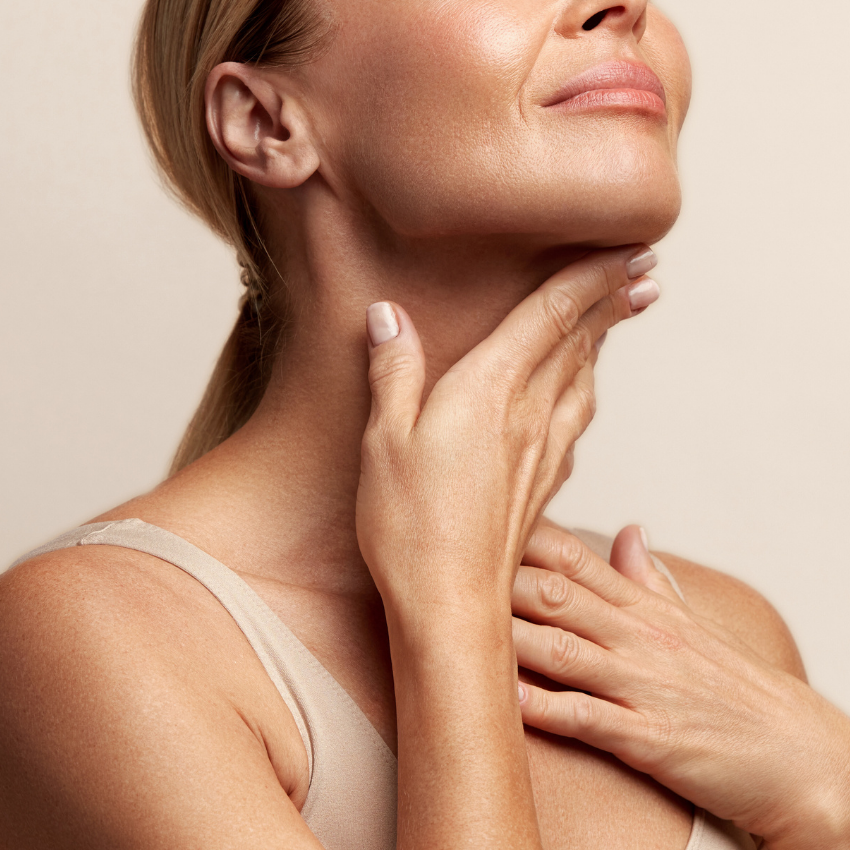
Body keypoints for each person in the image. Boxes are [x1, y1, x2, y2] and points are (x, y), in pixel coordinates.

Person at [0, 1, 847, 849]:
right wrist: (450, 604)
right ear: (265, 122)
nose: (617, 6)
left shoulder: (718, 642)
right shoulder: (93, 643)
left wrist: (831, 790)